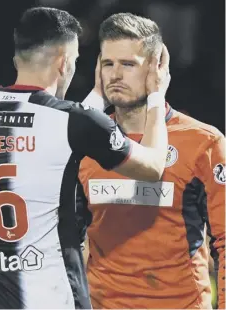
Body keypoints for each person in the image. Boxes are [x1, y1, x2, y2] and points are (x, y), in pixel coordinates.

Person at [0, 7, 171, 309]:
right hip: (51, 298)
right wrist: (156, 96)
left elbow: (51, 139)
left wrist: (97, 96)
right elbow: (152, 166)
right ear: (64, 62)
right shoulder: (72, 122)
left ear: (18, 58)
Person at [77, 13, 225, 310]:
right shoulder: (83, 143)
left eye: (128, 64)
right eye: (108, 64)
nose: (115, 75)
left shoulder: (203, 142)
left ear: (158, 70)